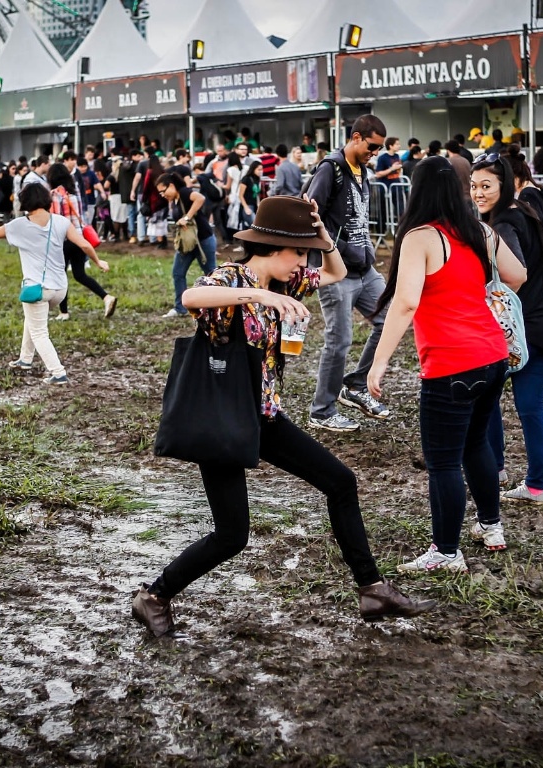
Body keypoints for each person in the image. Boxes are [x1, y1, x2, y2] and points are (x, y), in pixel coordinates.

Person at [131, 195, 437, 637]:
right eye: (299, 252)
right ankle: (154, 596)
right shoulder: (236, 279)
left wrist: (322, 233)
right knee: (232, 536)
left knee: (341, 482)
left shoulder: (289, 283)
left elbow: (337, 272)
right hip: (224, 419)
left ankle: (372, 589)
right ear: (273, 248)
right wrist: (254, 294)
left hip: (265, 417)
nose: (303, 262)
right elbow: (190, 295)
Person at [367, 155, 527, 565]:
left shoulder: (420, 237)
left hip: (452, 364)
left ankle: (446, 551)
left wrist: (379, 361)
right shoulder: (480, 230)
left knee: (443, 462)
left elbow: (405, 303)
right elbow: (518, 276)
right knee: (476, 444)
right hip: (493, 355)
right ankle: (491, 525)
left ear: (416, 191)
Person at [473, 152, 543, 507]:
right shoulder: (529, 212)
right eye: (474, 186)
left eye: (486, 186)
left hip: (514, 332)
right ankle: (536, 485)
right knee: (530, 408)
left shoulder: (501, 225)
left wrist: (494, 304)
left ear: (504, 186)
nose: (478, 193)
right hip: (542, 325)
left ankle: (496, 468)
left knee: (487, 401)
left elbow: (515, 275)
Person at [0, 183, 98, 385]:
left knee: (39, 331)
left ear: (25, 201)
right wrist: (99, 262)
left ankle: (58, 372)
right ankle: (25, 359)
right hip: (60, 288)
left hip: (38, 289)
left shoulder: (20, 224)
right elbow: (85, 244)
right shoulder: (61, 222)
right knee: (33, 319)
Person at [306, 114, 392, 432]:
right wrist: (329, 253)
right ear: (356, 137)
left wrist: (366, 253)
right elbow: (310, 215)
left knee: (391, 317)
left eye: (378, 148)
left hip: (364, 267)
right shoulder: (331, 169)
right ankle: (322, 410)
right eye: (372, 146)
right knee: (339, 340)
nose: (375, 153)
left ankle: (353, 386)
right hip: (335, 269)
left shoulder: (362, 169)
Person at [45, 163, 114, 321]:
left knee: (60, 276)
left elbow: (53, 220)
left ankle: (63, 312)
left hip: (62, 240)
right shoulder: (73, 196)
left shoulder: (53, 196)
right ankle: (106, 297)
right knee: (80, 274)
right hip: (78, 238)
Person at [158, 171, 217, 319]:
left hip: (203, 240)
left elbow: (200, 198)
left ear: (171, 186)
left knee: (212, 275)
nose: (162, 195)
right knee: (178, 272)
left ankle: (220, 306)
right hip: (188, 244)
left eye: (163, 191)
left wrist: (187, 217)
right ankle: (180, 308)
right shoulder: (176, 199)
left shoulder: (184, 192)